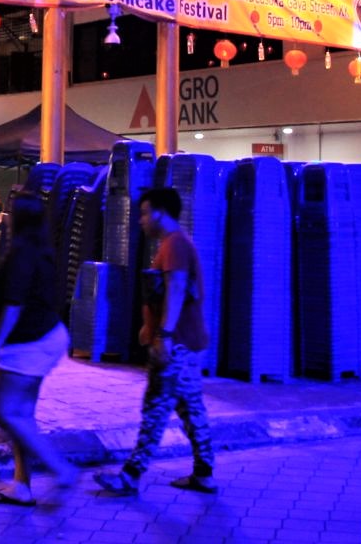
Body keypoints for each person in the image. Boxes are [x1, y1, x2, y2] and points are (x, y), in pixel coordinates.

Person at [96, 186, 216, 497]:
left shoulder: (175, 245)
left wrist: (163, 335)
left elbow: (176, 289)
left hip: (176, 344)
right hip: (186, 342)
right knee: (190, 408)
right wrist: (149, 328)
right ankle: (204, 474)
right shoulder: (175, 243)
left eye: (145, 213)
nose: (141, 220)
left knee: (155, 408)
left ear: (161, 213)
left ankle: (131, 476)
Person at [0, 190, 77, 506]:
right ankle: (21, 486)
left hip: (28, 342)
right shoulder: (42, 250)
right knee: (22, 415)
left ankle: (60, 468)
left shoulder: (20, 253)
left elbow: (14, 305)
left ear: (17, 218)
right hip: (48, 336)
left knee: (4, 412)